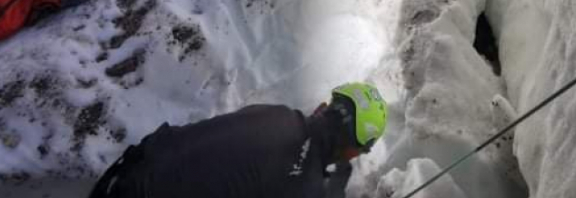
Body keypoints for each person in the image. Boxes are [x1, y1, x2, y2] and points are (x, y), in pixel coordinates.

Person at [88, 82, 388, 198]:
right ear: (352, 146)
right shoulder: (303, 185)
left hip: (126, 172)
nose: (357, 156)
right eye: (362, 149)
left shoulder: (276, 114)